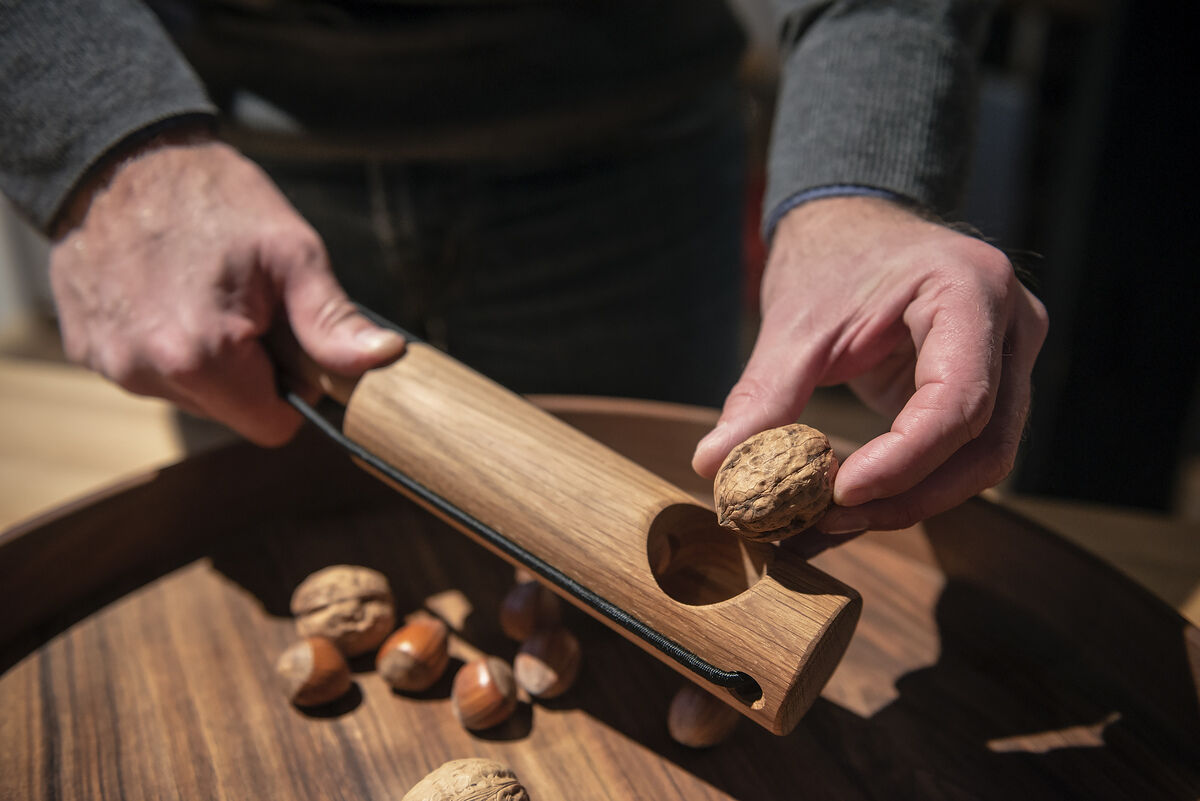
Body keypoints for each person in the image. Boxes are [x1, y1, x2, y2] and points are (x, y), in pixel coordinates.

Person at [0, 0, 1047, 537]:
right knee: (300, 553)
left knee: (643, 599)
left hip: (629, 162)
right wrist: (92, 134)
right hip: (220, 167)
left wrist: (864, 171)